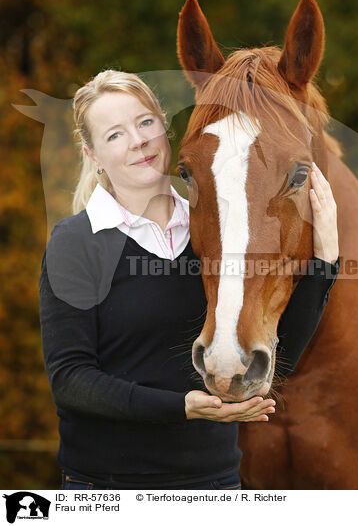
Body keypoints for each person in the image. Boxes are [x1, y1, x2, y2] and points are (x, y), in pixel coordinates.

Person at [39, 69, 340, 491]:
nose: (138, 140)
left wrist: (327, 259)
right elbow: (70, 380)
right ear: (93, 156)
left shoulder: (215, 229)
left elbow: (273, 344)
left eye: (145, 123)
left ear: (164, 127)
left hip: (214, 484)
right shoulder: (76, 242)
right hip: (106, 489)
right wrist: (182, 407)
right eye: (115, 135)